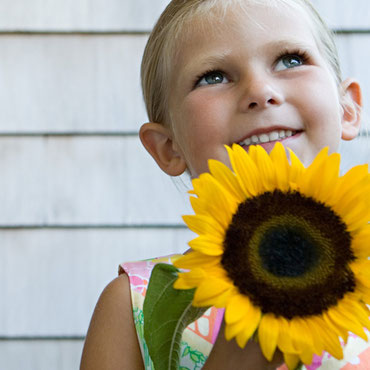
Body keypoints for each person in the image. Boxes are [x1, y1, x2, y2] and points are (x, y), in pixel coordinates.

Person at [80, 0, 366, 368]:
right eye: (213, 76)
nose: (260, 91)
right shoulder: (135, 305)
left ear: (347, 109)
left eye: (291, 59)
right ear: (168, 148)